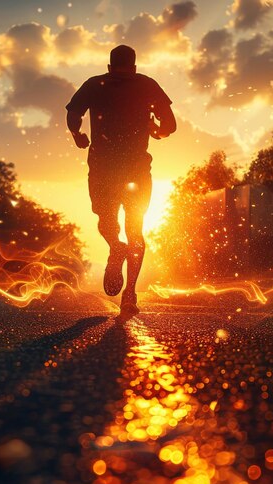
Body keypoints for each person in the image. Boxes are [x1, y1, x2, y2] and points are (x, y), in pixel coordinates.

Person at [66, 45, 176, 316]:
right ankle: (129, 295)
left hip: (103, 169)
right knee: (135, 230)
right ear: (135, 67)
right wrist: (156, 131)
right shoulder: (147, 84)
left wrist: (77, 135)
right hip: (137, 171)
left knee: (106, 222)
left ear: (109, 66)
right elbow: (170, 126)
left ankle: (116, 248)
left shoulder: (95, 84)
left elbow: (73, 114)